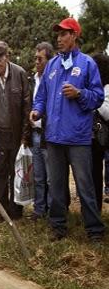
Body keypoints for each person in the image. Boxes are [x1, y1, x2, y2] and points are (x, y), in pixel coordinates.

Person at [31, 17, 106, 242]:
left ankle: (94, 230)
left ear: (74, 35)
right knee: (57, 187)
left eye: (64, 34)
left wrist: (80, 94)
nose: (59, 38)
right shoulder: (52, 65)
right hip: (53, 137)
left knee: (85, 186)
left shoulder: (87, 64)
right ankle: (58, 227)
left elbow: (98, 97)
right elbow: (42, 96)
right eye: (58, 34)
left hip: (78, 138)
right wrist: (36, 110)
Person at [0, 41, 31, 223]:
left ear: (7, 58)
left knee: (15, 172)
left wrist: (25, 136)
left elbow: (27, 107)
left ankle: (16, 210)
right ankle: (1, 210)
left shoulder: (20, 74)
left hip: (16, 134)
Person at [29, 42, 54, 219]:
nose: (37, 62)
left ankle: (54, 211)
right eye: (35, 58)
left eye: (40, 59)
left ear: (49, 60)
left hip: (49, 135)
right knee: (38, 177)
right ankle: (39, 209)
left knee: (51, 178)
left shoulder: (54, 80)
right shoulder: (32, 80)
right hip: (34, 134)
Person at [91, 53, 109, 210]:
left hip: (101, 138)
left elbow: (107, 113)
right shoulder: (91, 86)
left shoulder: (107, 88)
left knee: (99, 173)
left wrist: (94, 100)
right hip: (90, 139)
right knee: (92, 175)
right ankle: (92, 207)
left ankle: (96, 206)